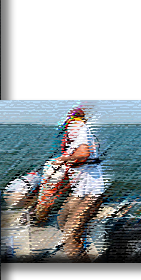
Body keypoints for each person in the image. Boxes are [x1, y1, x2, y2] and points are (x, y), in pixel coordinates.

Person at [34, 107, 105, 261]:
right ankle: (80, 238)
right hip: (80, 192)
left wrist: (62, 160)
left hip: (90, 194)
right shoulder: (79, 133)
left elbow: (83, 154)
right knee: (61, 219)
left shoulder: (81, 130)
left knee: (69, 239)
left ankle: (77, 245)